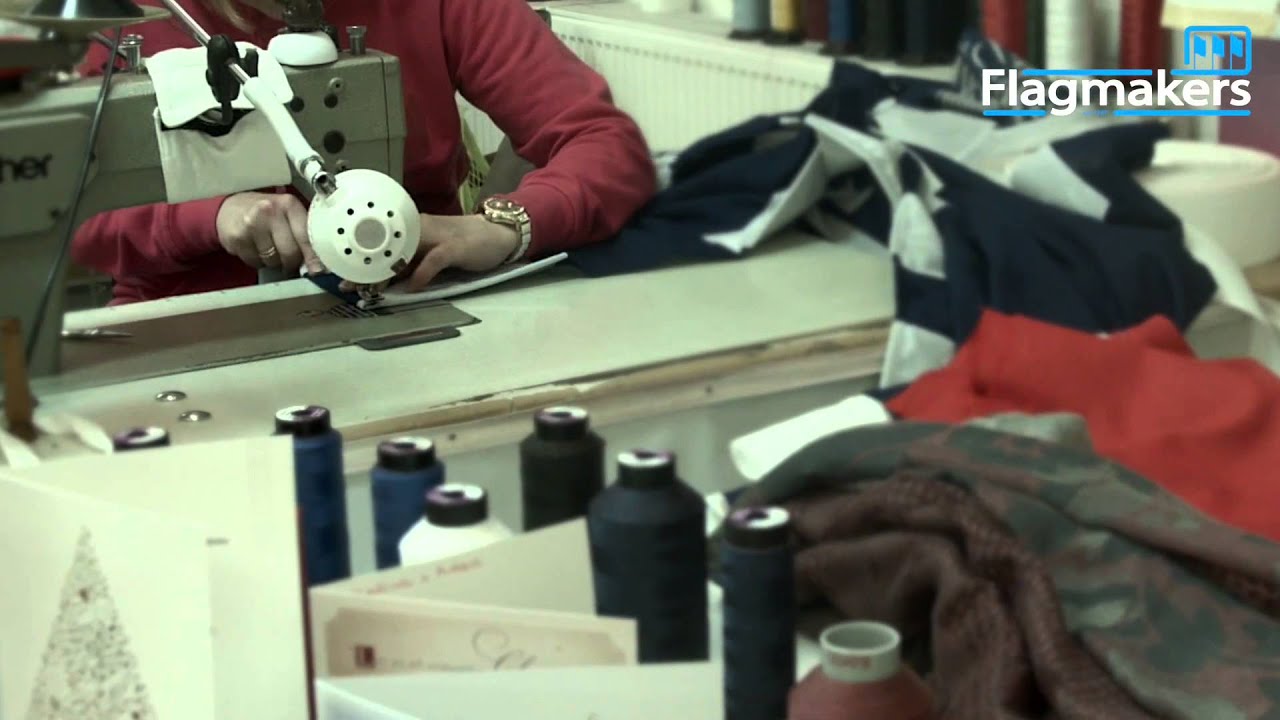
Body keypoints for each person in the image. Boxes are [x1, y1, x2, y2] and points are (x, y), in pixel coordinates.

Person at [74, 0, 656, 303]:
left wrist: (504, 227)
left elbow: (604, 142)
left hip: (415, 294)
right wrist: (211, 216)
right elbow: (68, 207)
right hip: (196, 321)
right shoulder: (133, 20)